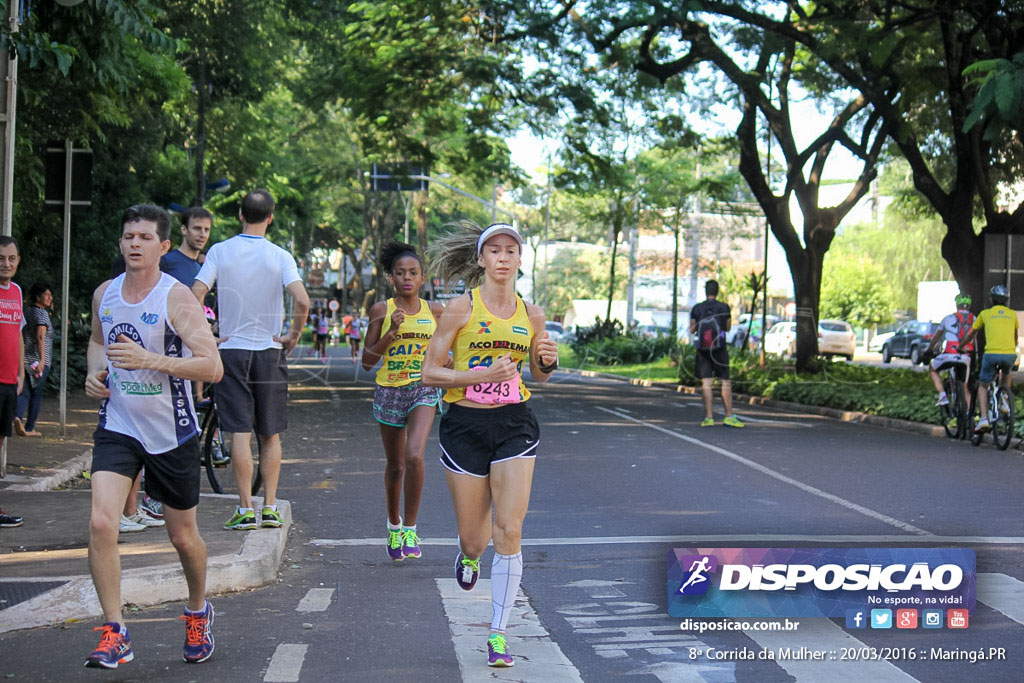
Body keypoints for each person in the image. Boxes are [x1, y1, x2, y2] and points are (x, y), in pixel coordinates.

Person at [83, 204, 223, 668]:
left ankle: (198, 609)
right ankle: (114, 630)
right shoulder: (105, 293)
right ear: (120, 243)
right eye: (128, 237)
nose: (135, 244)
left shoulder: (176, 297)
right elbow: (99, 342)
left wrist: (152, 360)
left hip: (171, 430)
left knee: (182, 537)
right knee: (103, 522)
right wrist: (93, 374)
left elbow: (211, 366)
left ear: (164, 246)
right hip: (119, 424)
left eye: (145, 237)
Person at [421, 222, 559, 668]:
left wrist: (546, 362)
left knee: (510, 531)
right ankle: (468, 556)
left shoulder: (532, 314)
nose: (503, 257)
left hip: (515, 422)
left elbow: (538, 373)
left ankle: (498, 632)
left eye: (511, 251)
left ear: (520, 261)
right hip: (464, 425)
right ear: (481, 260)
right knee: (476, 540)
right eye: (494, 250)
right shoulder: (461, 308)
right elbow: (430, 373)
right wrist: (479, 376)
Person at [192, 189, 309, 530]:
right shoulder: (280, 256)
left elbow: (196, 293)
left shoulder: (220, 251)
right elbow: (302, 300)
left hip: (230, 350)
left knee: (239, 433)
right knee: (270, 434)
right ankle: (270, 507)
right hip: (269, 351)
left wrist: (207, 334)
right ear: (270, 217)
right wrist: (293, 335)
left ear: (241, 215)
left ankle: (245, 510)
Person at [361, 242, 444, 562]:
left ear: (423, 278)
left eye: (413, 273)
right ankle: (393, 524)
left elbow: (444, 354)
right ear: (391, 278)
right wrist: (391, 332)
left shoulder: (435, 312)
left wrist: (448, 364)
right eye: (400, 273)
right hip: (389, 390)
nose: (407, 278)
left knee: (414, 455)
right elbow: (368, 361)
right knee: (396, 466)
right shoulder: (381, 311)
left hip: (422, 389)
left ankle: (411, 528)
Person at [960, 285, 1019, 432]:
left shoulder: (985, 314)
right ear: (1006, 300)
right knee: (1007, 374)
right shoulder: (1012, 315)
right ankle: (1005, 400)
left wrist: (961, 346)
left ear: (991, 299)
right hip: (1009, 354)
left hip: (991, 354)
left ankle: (984, 419)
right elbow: (1015, 337)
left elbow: (970, 334)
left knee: (983, 385)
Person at [689, 280, 743, 428]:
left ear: (705, 291)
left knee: (706, 382)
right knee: (725, 381)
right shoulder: (723, 307)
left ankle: (709, 417)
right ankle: (729, 416)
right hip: (720, 348)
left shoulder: (697, 308)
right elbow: (728, 327)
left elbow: (692, 330)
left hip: (703, 350)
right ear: (717, 291)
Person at [0, 236, 25, 529]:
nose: (6, 264)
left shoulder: (16, 292)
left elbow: (18, 333)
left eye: (11, 258)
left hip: (9, 381)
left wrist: (20, 374)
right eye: (1, 259)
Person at [14, 283, 54, 437]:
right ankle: (30, 427)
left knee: (24, 391)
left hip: (23, 357)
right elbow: (40, 337)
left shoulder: (26, 310)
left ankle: (17, 417)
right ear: (38, 296)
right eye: (47, 294)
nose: (50, 298)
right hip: (38, 361)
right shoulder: (42, 314)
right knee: (37, 394)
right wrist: (43, 360)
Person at [925, 293, 975, 407]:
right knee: (965, 387)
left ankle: (942, 395)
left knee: (933, 368)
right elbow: (973, 340)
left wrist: (929, 350)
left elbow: (936, 337)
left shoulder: (947, 319)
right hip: (965, 357)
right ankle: (968, 417)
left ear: (957, 304)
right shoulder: (975, 319)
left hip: (949, 355)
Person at [160, 206, 212, 286]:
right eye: (197, 228)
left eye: (206, 230)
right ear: (184, 230)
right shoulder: (166, 262)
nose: (203, 234)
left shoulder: (201, 270)